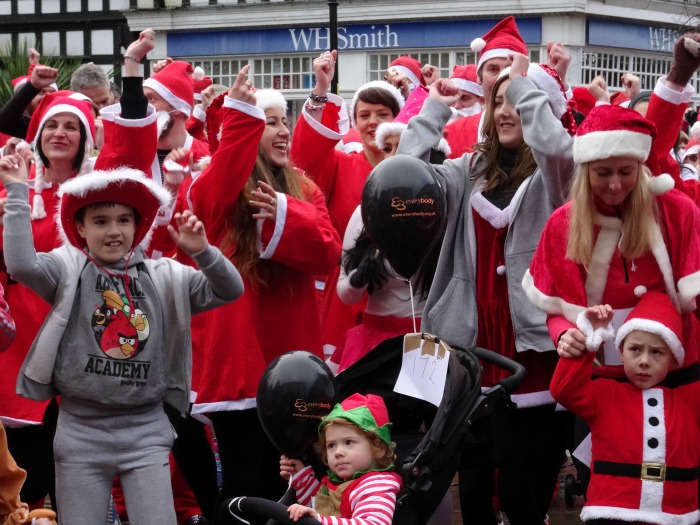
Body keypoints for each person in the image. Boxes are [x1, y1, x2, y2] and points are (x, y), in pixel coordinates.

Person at [0, 107, 244, 525]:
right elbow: (20, 265)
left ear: (138, 225)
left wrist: (203, 251)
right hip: (79, 431)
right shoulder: (65, 268)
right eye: (100, 221)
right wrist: (18, 194)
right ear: (80, 229)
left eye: (124, 221)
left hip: (146, 429)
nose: (113, 231)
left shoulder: (166, 275)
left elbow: (230, 289)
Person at [397, 51, 575, 525]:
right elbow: (400, 181)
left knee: (521, 488)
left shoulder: (552, 179)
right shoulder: (464, 170)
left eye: (516, 99)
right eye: (497, 101)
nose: (505, 110)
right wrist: (431, 110)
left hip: (529, 351)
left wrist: (520, 87)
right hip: (464, 346)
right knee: (471, 484)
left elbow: (558, 149)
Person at [187, 66, 341, 506]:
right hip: (239, 361)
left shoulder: (305, 190)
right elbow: (218, 181)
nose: (282, 131)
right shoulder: (218, 189)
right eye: (269, 121)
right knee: (242, 482)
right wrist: (238, 112)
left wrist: (284, 213)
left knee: (286, 488)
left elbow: (327, 253)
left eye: (284, 121)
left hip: (293, 362)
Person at [523, 102, 700, 377]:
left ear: (640, 167)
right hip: (601, 377)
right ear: (585, 172)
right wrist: (564, 334)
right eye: (603, 173)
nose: (615, 185)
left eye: (626, 172)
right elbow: (557, 308)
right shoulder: (563, 224)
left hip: (676, 368)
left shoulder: (675, 211)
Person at [290, 50, 404, 363]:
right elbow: (304, 158)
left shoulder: (414, 172)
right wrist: (321, 90)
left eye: (383, 114)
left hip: (400, 301)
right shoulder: (340, 165)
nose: (373, 123)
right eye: (364, 115)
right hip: (343, 298)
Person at [550, 293, 700, 525]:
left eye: (657, 352)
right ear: (621, 353)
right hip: (610, 510)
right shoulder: (605, 394)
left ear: (673, 359)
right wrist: (590, 340)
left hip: (675, 513)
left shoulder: (688, 399)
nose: (644, 361)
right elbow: (564, 390)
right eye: (635, 349)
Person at [279, 394, 402, 525]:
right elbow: (321, 506)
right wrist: (301, 478)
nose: (337, 452)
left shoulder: (375, 485)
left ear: (377, 447)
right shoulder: (337, 483)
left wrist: (321, 521)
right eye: (331, 445)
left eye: (348, 442)